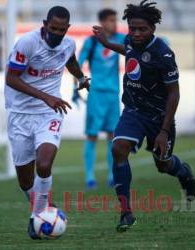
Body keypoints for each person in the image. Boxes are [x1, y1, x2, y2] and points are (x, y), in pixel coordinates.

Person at [93, 0, 195, 232]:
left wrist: (163, 131)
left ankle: (185, 174)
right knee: (118, 148)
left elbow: (174, 95)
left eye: (142, 29)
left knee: (163, 165)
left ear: (153, 29)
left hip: (160, 117)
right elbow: (127, 49)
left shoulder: (163, 53)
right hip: (133, 110)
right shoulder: (130, 40)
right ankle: (126, 213)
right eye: (132, 28)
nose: (136, 33)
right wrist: (108, 43)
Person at [5, 6, 89, 239]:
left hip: (49, 113)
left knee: (43, 165)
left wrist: (80, 78)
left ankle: (38, 218)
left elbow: (70, 60)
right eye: (53, 28)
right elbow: (11, 78)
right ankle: (41, 210)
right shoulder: (27, 43)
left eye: (61, 30)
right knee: (25, 180)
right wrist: (46, 96)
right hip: (20, 114)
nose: (57, 34)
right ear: (45, 24)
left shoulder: (68, 44)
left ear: (67, 29)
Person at [72, 9, 125, 189]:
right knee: (92, 135)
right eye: (111, 20)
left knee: (113, 136)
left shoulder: (120, 39)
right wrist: (76, 88)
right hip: (96, 95)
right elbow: (77, 66)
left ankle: (112, 175)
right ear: (102, 22)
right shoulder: (91, 42)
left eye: (115, 19)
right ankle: (90, 177)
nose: (114, 23)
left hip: (113, 95)